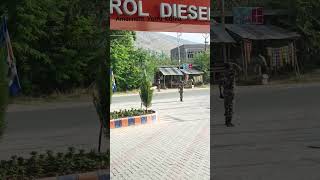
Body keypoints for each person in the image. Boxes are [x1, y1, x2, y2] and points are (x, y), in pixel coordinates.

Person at [219, 63, 236, 127]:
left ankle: (226, 121)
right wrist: (235, 65)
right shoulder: (231, 74)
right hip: (230, 92)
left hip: (225, 92)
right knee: (230, 107)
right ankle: (229, 122)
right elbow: (240, 70)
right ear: (230, 67)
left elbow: (219, 84)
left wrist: (220, 93)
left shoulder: (222, 74)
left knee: (226, 107)